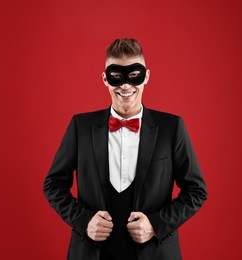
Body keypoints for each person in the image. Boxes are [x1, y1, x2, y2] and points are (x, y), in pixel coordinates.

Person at [43, 38, 207, 260]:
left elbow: (196, 191)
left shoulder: (172, 127)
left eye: (134, 76)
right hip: (92, 253)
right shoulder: (80, 126)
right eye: (116, 77)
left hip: (155, 253)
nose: (126, 86)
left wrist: (156, 225)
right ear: (105, 79)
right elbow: (53, 184)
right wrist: (83, 220)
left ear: (146, 76)